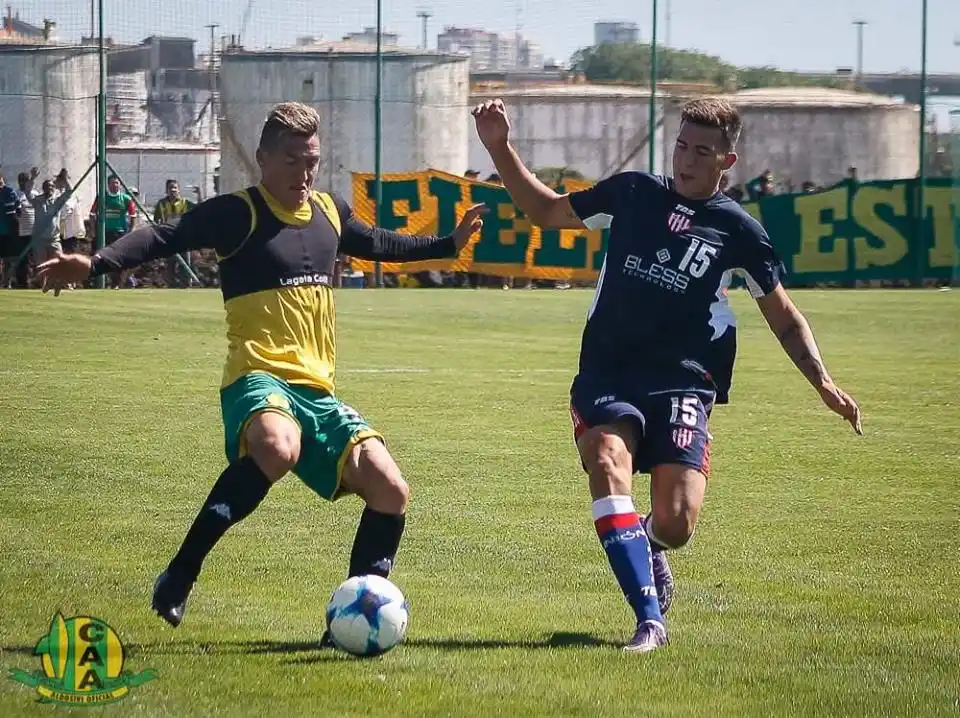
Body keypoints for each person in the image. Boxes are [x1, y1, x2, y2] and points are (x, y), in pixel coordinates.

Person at [39, 101, 486, 632]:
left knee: (391, 489)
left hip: (317, 392)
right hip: (258, 377)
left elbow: (381, 243)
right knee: (277, 446)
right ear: (263, 160)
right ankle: (180, 573)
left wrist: (449, 244)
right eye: (294, 160)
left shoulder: (329, 210)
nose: (306, 171)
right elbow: (164, 236)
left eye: (313, 159)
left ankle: (350, 623)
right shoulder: (239, 213)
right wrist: (93, 262)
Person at [472, 96, 862, 653]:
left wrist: (822, 381)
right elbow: (546, 211)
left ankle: (649, 541)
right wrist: (498, 146)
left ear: (727, 161)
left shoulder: (739, 231)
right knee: (608, 462)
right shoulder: (633, 193)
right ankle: (648, 618)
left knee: (677, 522)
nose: (687, 158)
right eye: (682, 144)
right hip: (608, 373)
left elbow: (783, 314)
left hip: (683, 382)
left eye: (703, 150)